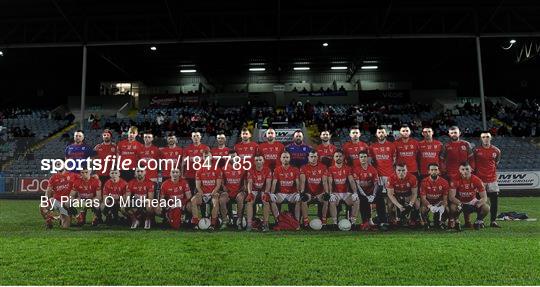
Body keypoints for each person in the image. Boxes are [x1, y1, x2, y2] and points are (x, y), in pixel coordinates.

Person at [448, 162, 490, 230]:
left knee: (486, 207)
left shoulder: (477, 180)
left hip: (472, 201)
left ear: (471, 170)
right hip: (460, 201)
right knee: (452, 207)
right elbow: (451, 197)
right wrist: (459, 203)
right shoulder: (455, 179)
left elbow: (484, 197)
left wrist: (479, 203)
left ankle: (478, 221)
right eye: (463, 169)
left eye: (467, 169)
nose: (465, 171)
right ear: (459, 170)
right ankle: (456, 221)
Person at [352, 151, 387, 231]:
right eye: (361, 157)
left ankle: (383, 222)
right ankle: (366, 222)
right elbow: (358, 186)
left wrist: (373, 195)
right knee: (362, 199)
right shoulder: (356, 169)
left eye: (365, 156)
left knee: (380, 198)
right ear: (359, 158)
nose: (363, 158)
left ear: (367, 158)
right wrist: (365, 196)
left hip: (372, 192)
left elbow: (376, 184)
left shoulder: (373, 169)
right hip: (362, 192)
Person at [473, 131, 501, 228]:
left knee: (494, 202)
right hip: (480, 180)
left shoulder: (496, 151)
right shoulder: (476, 150)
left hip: (492, 180)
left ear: (491, 138)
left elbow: (496, 163)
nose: (486, 138)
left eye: (487, 137)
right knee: (480, 202)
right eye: (483, 137)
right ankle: (480, 220)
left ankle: (493, 221)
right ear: (481, 139)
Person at [327, 150, 359, 229]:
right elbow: (330, 182)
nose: (338, 158)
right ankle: (334, 223)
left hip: (346, 193)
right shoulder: (330, 169)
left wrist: (355, 192)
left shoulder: (348, 168)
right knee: (332, 201)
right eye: (336, 156)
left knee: (357, 200)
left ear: (343, 157)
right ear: (334, 158)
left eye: (340, 156)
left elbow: (351, 181)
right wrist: (330, 193)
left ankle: (353, 222)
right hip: (335, 193)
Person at [191, 150, 222, 230]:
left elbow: (218, 185)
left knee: (215, 202)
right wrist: (202, 194)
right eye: (205, 156)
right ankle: (195, 223)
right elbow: (198, 186)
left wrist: (213, 193)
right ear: (203, 158)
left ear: (211, 157)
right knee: (193, 200)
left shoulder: (217, 169)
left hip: (213, 193)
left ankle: (213, 224)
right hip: (203, 193)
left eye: (208, 156)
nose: (207, 158)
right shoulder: (199, 170)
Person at [299, 151, 329, 228]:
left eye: (315, 156)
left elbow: (324, 181)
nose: (313, 158)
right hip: (309, 193)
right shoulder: (303, 167)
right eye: (311, 156)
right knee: (303, 199)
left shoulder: (323, 167)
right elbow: (302, 181)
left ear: (318, 157)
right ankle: (305, 222)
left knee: (326, 199)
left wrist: (326, 192)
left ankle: (324, 221)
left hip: (319, 193)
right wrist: (302, 192)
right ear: (308, 158)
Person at [219, 150, 247, 230]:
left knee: (240, 198)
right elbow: (222, 182)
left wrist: (243, 188)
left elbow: (245, 182)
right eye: (231, 157)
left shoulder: (243, 168)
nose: (233, 158)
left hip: (239, 192)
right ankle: (225, 221)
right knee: (222, 199)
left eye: (234, 156)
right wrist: (224, 187)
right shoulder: (224, 168)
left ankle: (239, 221)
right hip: (228, 192)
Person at [246, 154, 274, 232]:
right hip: (254, 190)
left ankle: (265, 224)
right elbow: (250, 183)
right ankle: (249, 224)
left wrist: (266, 193)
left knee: (266, 201)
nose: (258, 162)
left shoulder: (267, 170)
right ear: (254, 162)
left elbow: (268, 183)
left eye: (260, 160)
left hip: (263, 190)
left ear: (263, 161)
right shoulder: (250, 170)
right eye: (257, 160)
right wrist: (250, 193)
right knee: (249, 202)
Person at [270, 151, 301, 222]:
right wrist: (271, 193)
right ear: (280, 159)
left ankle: (297, 222)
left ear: (290, 159)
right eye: (283, 157)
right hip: (281, 193)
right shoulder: (277, 169)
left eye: (287, 157)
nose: (285, 159)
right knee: (272, 200)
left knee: (299, 200)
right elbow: (274, 183)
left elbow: (298, 183)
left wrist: (299, 193)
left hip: (292, 194)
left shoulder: (295, 170)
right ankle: (278, 221)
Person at [419, 163, 449, 230]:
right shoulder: (424, 182)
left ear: (438, 171)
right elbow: (423, 199)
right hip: (428, 202)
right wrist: (430, 206)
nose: (434, 172)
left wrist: (443, 206)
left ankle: (442, 222)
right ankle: (426, 223)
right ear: (428, 171)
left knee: (447, 209)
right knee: (423, 209)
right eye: (432, 170)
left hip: (439, 202)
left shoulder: (444, 182)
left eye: (435, 170)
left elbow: (445, 198)